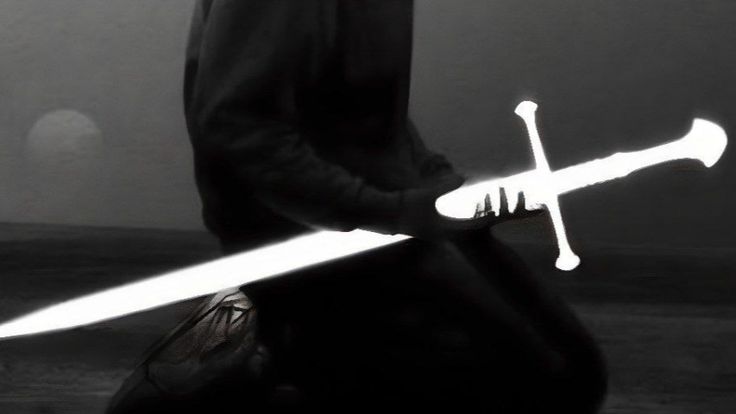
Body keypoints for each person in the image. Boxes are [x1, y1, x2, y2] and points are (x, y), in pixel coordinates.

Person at [108, 1, 607, 413]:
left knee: (574, 373)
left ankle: (284, 337)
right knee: (537, 385)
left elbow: (364, 112)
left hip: (382, 220)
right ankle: (265, 353)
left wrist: (440, 183)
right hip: (306, 236)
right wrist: (393, 210)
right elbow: (240, 129)